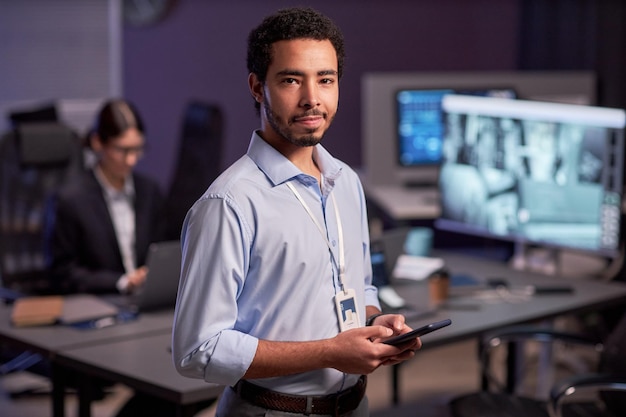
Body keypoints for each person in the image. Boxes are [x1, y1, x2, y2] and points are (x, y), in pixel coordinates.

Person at [172, 7, 420, 416]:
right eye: (291, 80)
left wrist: (378, 322)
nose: (312, 99)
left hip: (354, 406)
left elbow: (360, 289)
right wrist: (329, 352)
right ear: (257, 87)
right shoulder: (228, 204)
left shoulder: (346, 182)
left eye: (326, 79)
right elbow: (199, 350)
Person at [47, 98, 166, 295]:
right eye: (122, 150)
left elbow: (163, 252)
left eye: (137, 149)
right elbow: (63, 274)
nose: (131, 159)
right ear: (97, 143)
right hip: (97, 303)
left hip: (146, 303)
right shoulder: (70, 199)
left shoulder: (150, 191)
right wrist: (122, 282)